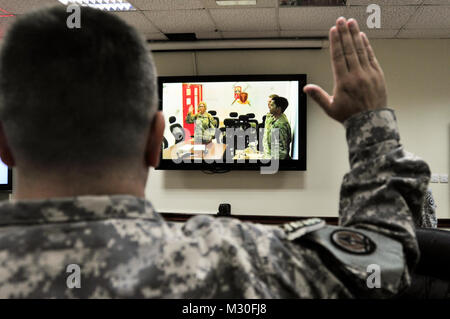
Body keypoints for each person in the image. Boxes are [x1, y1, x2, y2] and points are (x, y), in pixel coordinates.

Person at [0, 6, 431, 299]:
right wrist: (369, 122)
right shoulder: (233, 262)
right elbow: (381, 266)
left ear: (4, 144)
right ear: (156, 141)